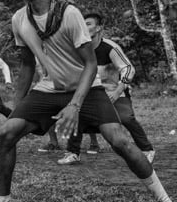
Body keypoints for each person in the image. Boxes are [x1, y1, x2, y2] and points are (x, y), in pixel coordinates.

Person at [0, 0, 177, 202]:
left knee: (120, 140)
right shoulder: (19, 19)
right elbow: (28, 64)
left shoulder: (69, 14)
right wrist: (16, 109)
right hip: (49, 89)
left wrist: (75, 106)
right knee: (6, 133)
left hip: (87, 87)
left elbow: (91, 64)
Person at [57, 13, 155, 165]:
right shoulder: (78, 48)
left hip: (113, 92)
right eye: (83, 24)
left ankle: (147, 149)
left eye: (88, 23)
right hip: (90, 93)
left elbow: (128, 69)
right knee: (76, 114)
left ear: (99, 28)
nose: (84, 26)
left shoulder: (110, 47)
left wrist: (117, 92)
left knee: (125, 118)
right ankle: (72, 152)